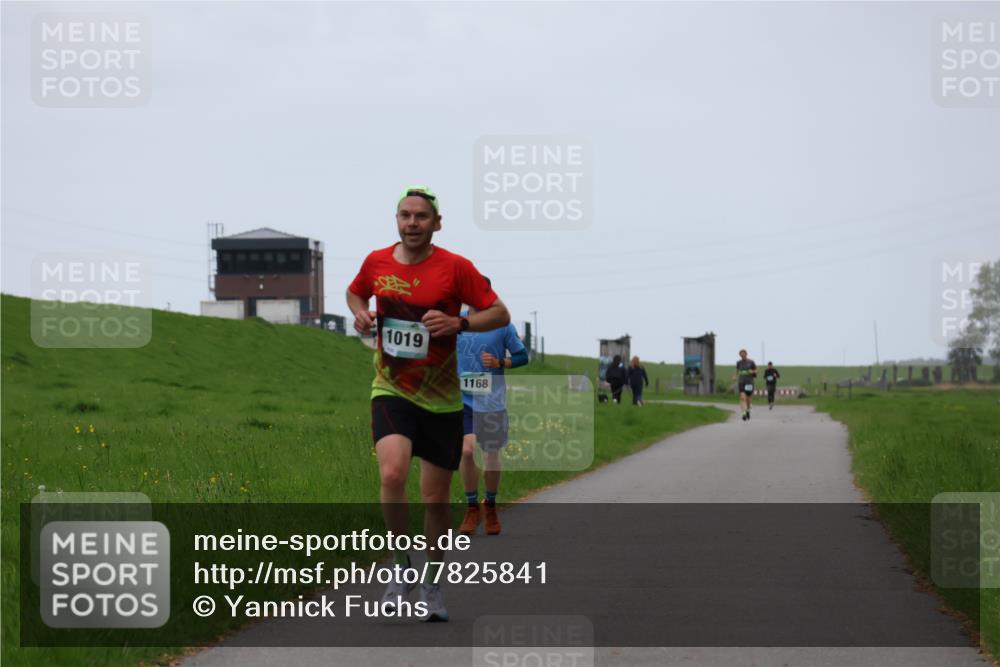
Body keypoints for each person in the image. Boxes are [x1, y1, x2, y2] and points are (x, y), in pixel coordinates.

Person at [347, 186, 510, 622]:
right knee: (392, 471)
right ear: (396, 220)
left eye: (421, 216)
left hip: (441, 401)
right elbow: (355, 292)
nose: (412, 223)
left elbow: (500, 313)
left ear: (437, 223)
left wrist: (460, 321)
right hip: (392, 388)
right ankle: (400, 571)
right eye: (405, 215)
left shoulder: (456, 268)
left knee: (436, 501)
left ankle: (432, 587)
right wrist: (361, 312)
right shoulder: (376, 262)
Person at [456, 278, 529, 537]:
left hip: (492, 402)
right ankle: (471, 506)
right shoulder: (457, 321)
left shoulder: (502, 324)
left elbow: (522, 356)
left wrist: (501, 362)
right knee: (466, 450)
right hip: (462, 400)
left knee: (490, 455)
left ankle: (491, 505)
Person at [734, 349, 757, 421]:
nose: (742, 356)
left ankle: (748, 411)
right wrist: (735, 376)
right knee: (742, 398)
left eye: (743, 354)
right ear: (740, 355)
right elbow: (737, 371)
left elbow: (757, 370)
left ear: (746, 354)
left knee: (748, 399)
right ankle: (743, 413)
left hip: (749, 382)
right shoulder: (739, 363)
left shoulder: (751, 362)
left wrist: (752, 371)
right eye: (741, 355)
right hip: (741, 382)